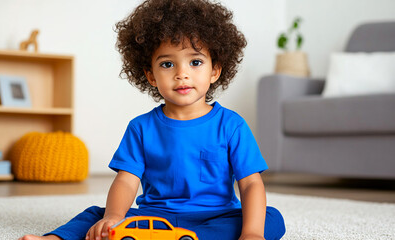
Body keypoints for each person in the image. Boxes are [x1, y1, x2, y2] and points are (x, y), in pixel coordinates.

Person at [19, 0, 285, 240]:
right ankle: (54, 239)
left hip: (214, 217)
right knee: (97, 215)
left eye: (195, 62)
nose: (182, 74)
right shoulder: (141, 128)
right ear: (150, 75)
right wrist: (113, 217)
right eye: (168, 64)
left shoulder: (232, 125)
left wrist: (251, 233)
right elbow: (126, 180)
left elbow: (250, 183)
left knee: (270, 218)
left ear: (215, 70)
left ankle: (192, 236)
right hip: (155, 219)